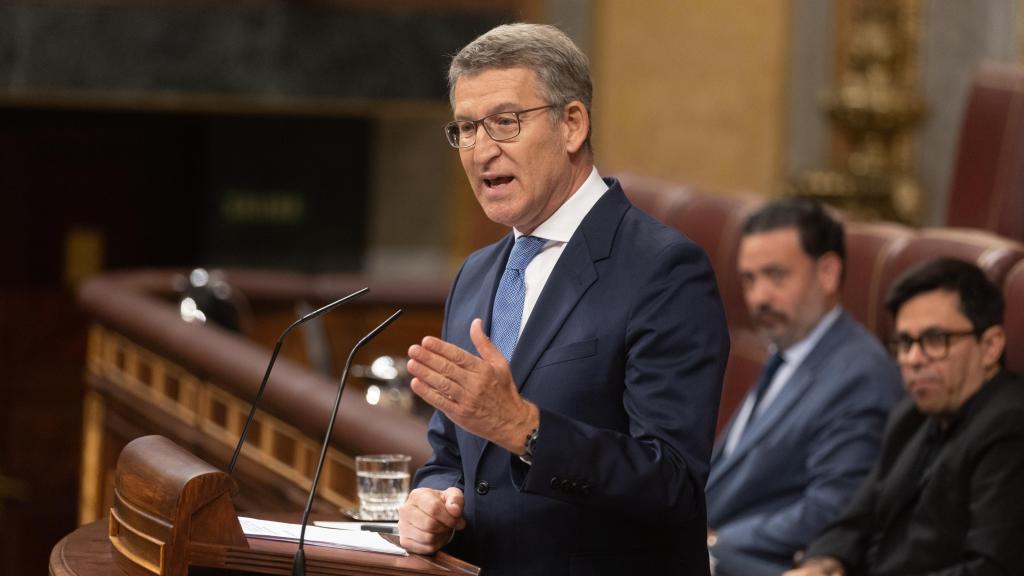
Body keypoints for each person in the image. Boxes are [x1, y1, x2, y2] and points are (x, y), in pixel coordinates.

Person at [396, 23, 729, 575]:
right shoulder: (475, 275)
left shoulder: (664, 269)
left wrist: (526, 430)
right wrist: (432, 502)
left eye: (504, 122)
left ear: (572, 124)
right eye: (466, 129)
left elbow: (672, 483)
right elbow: (451, 455)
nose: (481, 151)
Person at [786, 258, 1024, 576]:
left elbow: (991, 569)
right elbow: (856, 520)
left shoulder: (1010, 427)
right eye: (904, 343)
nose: (912, 359)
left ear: (991, 345)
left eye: (936, 340)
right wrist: (823, 563)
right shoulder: (910, 415)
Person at [705, 200, 903, 576]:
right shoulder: (788, 353)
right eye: (749, 279)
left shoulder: (861, 375)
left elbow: (833, 508)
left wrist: (715, 543)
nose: (759, 297)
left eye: (776, 275)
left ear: (827, 272)